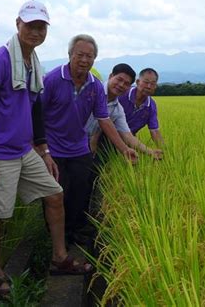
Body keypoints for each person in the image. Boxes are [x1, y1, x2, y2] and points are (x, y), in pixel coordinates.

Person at [0, 0, 91, 300]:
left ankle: (59, 257)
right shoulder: (0, 60)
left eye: (41, 27)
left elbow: (35, 110)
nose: (36, 32)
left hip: (24, 149)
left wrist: (43, 150)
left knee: (55, 194)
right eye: (31, 25)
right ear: (18, 24)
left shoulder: (32, 63)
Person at [41, 34, 138, 245]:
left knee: (81, 191)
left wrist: (124, 149)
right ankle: (57, 238)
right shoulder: (52, 79)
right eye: (80, 55)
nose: (85, 60)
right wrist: (42, 148)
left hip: (79, 148)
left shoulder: (94, 86)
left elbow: (104, 120)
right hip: (54, 149)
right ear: (70, 55)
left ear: (95, 59)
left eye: (90, 56)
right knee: (57, 193)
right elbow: (36, 114)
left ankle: (75, 231)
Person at [86, 63, 163, 161]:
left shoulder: (118, 108)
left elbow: (127, 135)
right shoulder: (93, 89)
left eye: (152, 84)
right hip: (74, 137)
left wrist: (151, 152)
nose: (121, 85)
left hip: (111, 139)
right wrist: (95, 138)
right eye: (119, 80)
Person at [118, 68, 164, 146]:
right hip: (106, 134)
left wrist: (166, 152)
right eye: (146, 82)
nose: (149, 86)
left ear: (156, 86)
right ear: (137, 82)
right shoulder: (122, 94)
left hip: (129, 140)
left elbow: (154, 131)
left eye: (153, 83)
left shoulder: (151, 106)